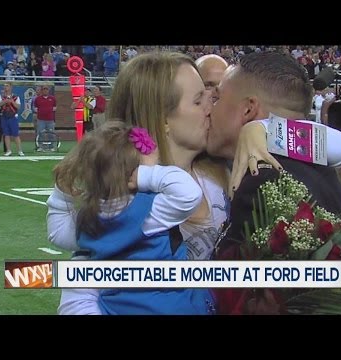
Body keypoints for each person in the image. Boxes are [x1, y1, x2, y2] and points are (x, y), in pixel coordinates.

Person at [47, 52, 229, 314]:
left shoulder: (225, 171)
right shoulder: (121, 202)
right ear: (163, 118)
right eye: (199, 100)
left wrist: (255, 132)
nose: (212, 106)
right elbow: (77, 303)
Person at [206, 52, 341, 314]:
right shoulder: (321, 168)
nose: (209, 109)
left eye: (217, 98)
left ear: (248, 109)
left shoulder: (263, 178)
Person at [53, 121, 214, 315]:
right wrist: (147, 175)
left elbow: (57, 233)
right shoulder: (151, 211)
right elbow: (189, 193)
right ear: (135, 174)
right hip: (173, 306)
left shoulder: (88, 220)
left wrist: (62, 194)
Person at [0, 83, 24, 156]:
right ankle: (8, 150)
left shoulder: (16, 97)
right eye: (4, 86)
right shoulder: (1, 96)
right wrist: (5, 101)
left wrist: (12, 102)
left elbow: (18, 106)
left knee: (16, 134)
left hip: (13, 117)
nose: (5, 87)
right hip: (4, 117)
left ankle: (20, 150)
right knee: (6, 134)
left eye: (7, 86)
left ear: (11, 87)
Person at [33, 85, 57, 151]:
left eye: (46, 89)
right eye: (44, 89)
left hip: (50, 119)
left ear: (48, 90)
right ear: (42, 90)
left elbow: (55, 108)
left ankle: (51, 146)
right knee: (40, 133)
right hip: (41, 119)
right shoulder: (38, 99)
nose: (45, 91)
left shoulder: (52, 98)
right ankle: (40, 147)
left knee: (51, 133)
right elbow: (35, 108)